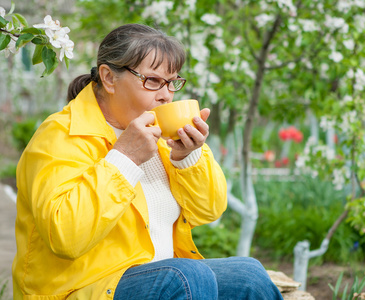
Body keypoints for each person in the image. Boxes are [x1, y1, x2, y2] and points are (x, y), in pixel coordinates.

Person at [12, 24, 283, 300]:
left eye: (173, 82)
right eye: (153, 81)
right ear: (109, 78)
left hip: (157, 280)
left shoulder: (162, 134)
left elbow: (210, 211)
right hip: (79, 289)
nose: (166, 95)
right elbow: (65, 236)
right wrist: (124, 158)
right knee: (187, 277)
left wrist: (187, 157)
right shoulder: (61, 134)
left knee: (250, 275)